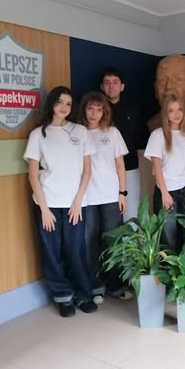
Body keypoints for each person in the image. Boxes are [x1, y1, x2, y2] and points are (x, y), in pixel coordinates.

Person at [23, 86, 98, 317]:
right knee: (52, 251)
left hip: (75, 204)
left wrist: (78, 201)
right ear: (52, 104)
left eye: (68, 103)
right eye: (60, 102)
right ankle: (63, 297)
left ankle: (82, 294)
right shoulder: (38, 134)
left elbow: (87, 171)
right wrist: (45, 210)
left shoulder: (80, 131)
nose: (64, 107)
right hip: (47, 204)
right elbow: (33, 175)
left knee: (75, 250)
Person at [79, 91, 131, 302]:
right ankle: (95, 287)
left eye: (99, 109)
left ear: (105, 112)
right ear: (84, 110)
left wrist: (122, 193)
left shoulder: (112, 132)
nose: (94, 113)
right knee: (88, 241)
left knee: (113, 241)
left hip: (110, 195)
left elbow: (120, 165)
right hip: (86, 197)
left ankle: (115, 285)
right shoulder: (78, 133)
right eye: (90, 108)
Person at [144, 94, 185, 251]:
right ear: (165, 113)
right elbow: (156, 167)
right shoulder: (158, 135)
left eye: (179, 109)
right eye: (171, 110)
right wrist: (164, 193)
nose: (176, 114)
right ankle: (169, 267)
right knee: (168, 237)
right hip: (167, 192)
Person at [100, 67, 148, 221]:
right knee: (108, 216)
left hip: (129, 168)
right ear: (102, 87)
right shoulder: (96, 111)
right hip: (103, 172)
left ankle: (131, 238)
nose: (111, 86)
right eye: (107, 83)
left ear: (122, 87)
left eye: (115, 82)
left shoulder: (133, 110)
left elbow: (141, 141)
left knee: (131, 213)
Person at [147, 54, 185, 132]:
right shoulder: (153, 125)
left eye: (178, 79)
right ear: (156, 89)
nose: (168, 86)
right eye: (162, 80)